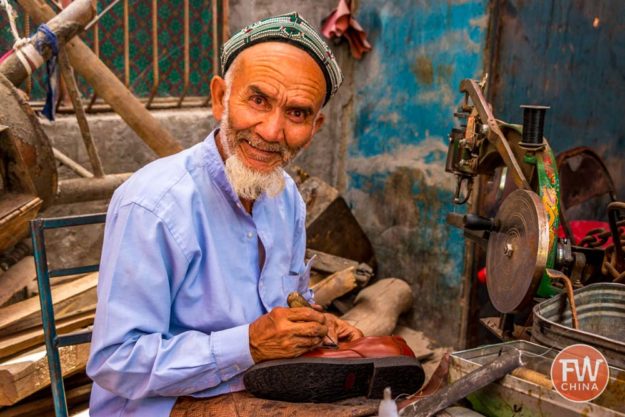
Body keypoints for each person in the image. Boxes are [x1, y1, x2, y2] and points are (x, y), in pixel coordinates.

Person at [86, 12, 363, 417]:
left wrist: (313, 325)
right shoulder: (153, 205)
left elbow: (286, 300)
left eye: (297, 113)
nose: (271, 131)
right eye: (258, 100)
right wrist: (248, 344)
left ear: (316, 126)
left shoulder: (287, 199)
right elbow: (116, 361)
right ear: (220, 98)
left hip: (258, 389)